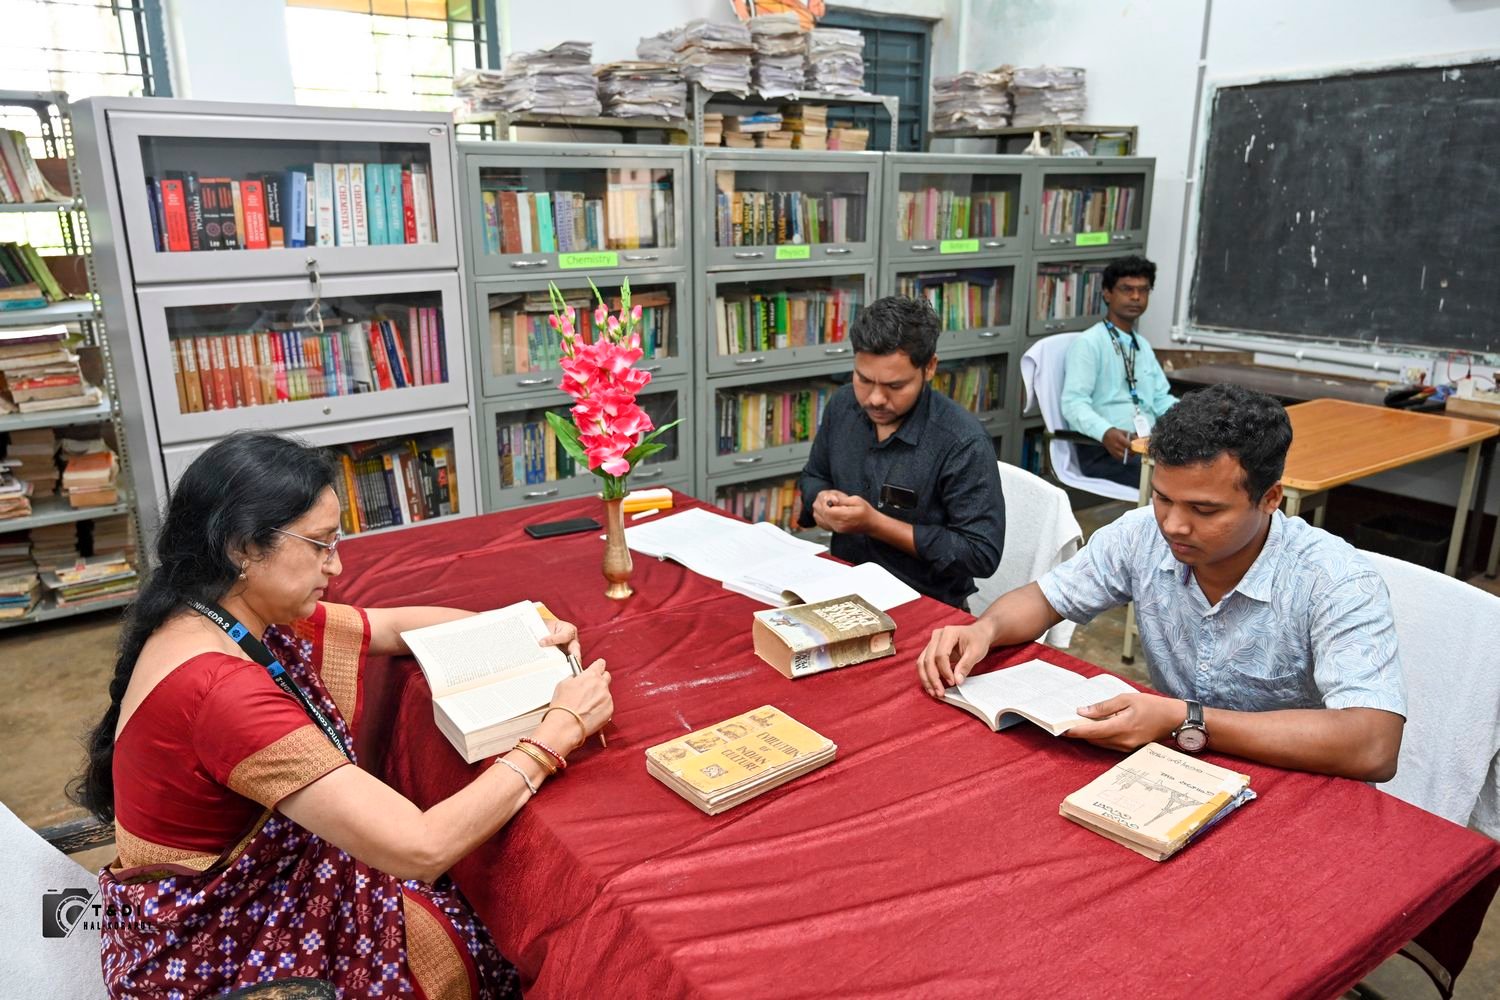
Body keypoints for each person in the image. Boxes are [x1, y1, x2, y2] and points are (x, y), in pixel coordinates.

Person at [72, 433, 613, 999]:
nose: (337, 564)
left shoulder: (223, 615)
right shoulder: (220, 690)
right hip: (228, 955)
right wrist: (556, 735)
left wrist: (524, 633)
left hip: (245, 903)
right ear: (242, 547)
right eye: (320, 545)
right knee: (497, 939)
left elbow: (388, 627)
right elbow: (422, 848)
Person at [916, 384, 1406, 782]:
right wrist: (985, 630)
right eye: (1163, 498)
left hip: (1293, 779)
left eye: (1205, 509)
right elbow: (1046, 599)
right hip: (1172, 767)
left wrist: (1185, 719)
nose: (1173, 524)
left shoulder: (1335, 581)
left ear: (1270, 498)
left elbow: (1372, 745)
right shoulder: (1141, 535)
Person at [797, 295, 1005, 610]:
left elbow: (980, 553)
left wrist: (875, 524)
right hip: (841, 590)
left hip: (925, 607)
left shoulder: (961, 442)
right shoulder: (843, 406)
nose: (875, 399)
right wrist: (821, 500)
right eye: (864, 380)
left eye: (895, 386)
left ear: (930, 367)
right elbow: (815, 474)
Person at [1060, 254, 1178, 488]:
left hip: (1146, 447)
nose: (1136, 297)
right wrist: (1105, 432)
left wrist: (1197, 417)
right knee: (1176, 483)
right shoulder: (1089, 343)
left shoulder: (1141, 345)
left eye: (1143, 290)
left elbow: (1161, 399)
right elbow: (1073, 403)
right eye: (1127, 289)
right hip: (1104, 449)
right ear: (1107, 293)